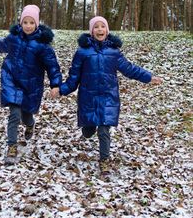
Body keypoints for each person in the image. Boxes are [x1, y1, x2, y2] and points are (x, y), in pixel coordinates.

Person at [51, 16, 162, 177]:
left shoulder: (114, 52)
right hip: (88, 98)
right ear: (91, 31)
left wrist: (149, 77)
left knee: (104, 129)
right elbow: (73, 78)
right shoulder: (82, 52)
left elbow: (129, 69)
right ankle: (87, 132)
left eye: (103, 26)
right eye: (96, 27)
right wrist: (61, 90)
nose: (100, 29)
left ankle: (104, 160)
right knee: (89, 130)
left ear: (107, 30)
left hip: (108, 98)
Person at [0, 5, 62, 165]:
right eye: (25, 22)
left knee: (26, 116)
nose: (27, 25)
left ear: (37, 24)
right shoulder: (14, 38)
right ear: (21, 23)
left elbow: (52, 67)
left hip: (31, 86)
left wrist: (56, 84)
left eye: (31, 22)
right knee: (14, 115)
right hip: (11, 80)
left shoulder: (43, 46)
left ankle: (30, 124)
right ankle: (12, 147)